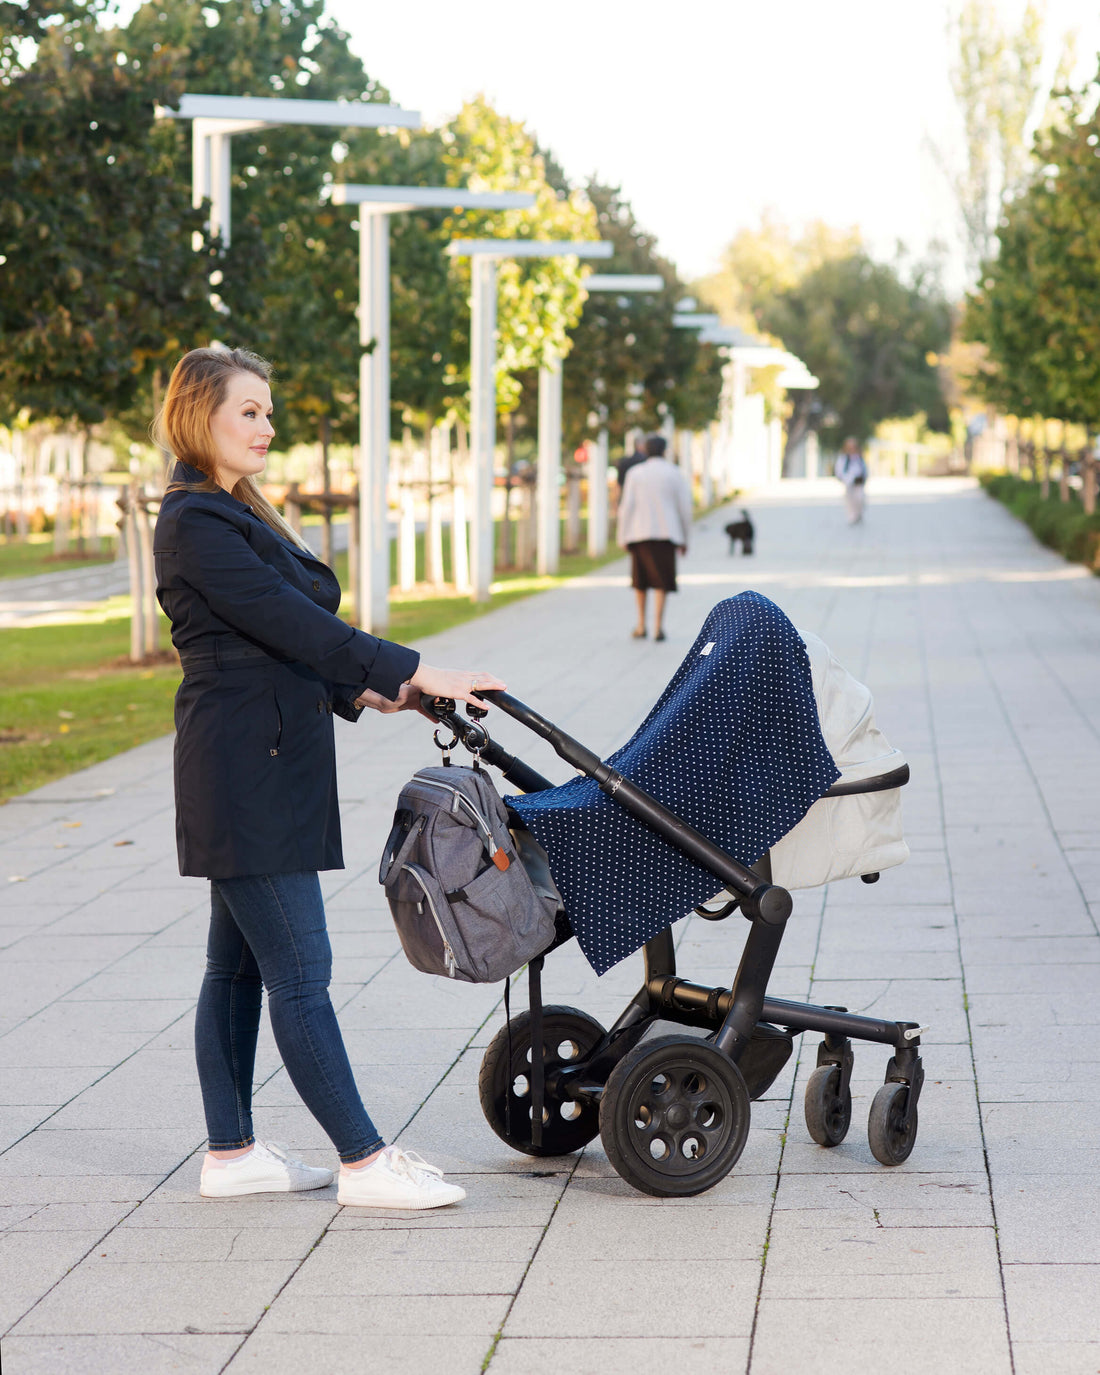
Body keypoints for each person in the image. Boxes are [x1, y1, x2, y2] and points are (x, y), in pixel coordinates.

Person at [153, 347, 506, 1211]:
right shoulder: (196, 523)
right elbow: (288, 621)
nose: (267, 427)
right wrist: (415, 671)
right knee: (301, 971)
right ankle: (363, 1160)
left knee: (234, 970)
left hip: (257, 764)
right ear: (199, 415)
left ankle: (232, 1154)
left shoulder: (231, 512)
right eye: (250, 412)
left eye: (269, 412)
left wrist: (373, 690)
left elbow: (284, 636)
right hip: (245, 773)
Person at [616, 433, 692, 642]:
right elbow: (684, 508)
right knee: (662, 581)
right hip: (667, 534)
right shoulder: (674, 473)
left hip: (639, 533)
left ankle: (641, 624)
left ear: (644, 450)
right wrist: (685, 539)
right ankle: (658, 626)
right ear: (664, 450)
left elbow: (626, 507)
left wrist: (622, 535)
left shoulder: (635, 473)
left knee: (640, 581)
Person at [834, 437, 868, 525]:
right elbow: (839, 470)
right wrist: (843, 479)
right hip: (848, 483)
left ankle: (858, 514)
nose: (852, 448)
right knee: (849, 501)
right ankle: (852, 517)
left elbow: (864, 470)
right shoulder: (843, 458)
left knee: (860, 498)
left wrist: (864, 478)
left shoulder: (859, 458)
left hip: (858, 483)